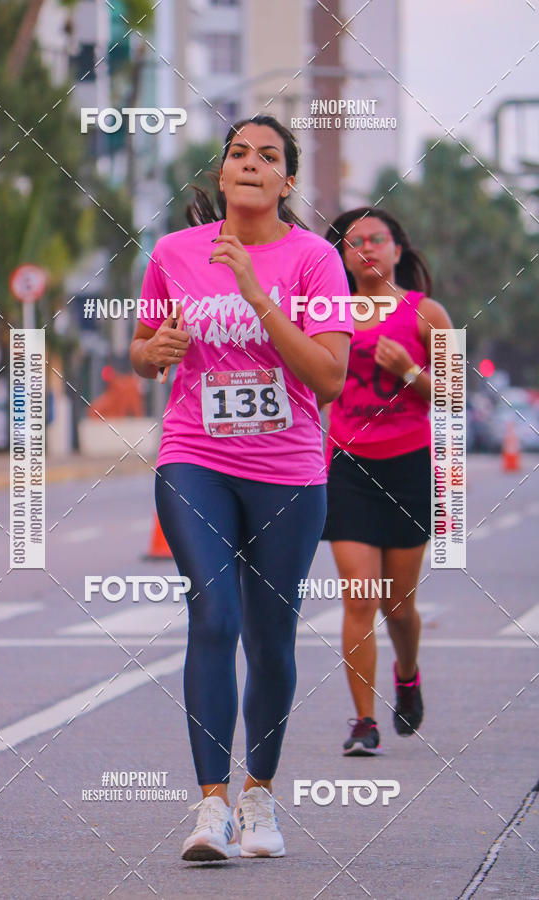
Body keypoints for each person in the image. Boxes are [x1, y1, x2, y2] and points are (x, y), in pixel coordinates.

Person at [130, 115, 353, 860]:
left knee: (269, 637)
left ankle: (259, 795)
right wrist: (155, 350)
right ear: (221, 175)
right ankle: (211, 807)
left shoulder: (316, 260)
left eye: (269, 156)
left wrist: (258, 295)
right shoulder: (174, 252)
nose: (251, 163)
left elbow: (329, 377)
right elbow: (143, 348)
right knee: (214, 615)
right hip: (195, 456)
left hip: (288, 472)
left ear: (288, 181)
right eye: (238, 153)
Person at [321, 207, 453, 756]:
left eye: (377, 239)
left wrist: (409, 372)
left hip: (408, 466)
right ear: (342, 257)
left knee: (398, 609)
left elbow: (455, 394)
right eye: (354, 242)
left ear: (397, 249)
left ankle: (407, 673)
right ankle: (363, 721)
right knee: (359, 597)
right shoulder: (327, 313)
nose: (367, 249)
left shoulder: (429, 314)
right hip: (347, 465)